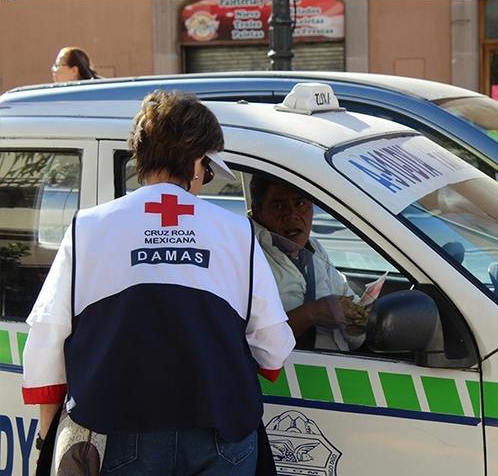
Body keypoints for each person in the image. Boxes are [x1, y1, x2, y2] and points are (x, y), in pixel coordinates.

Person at [21, 90, 295, 474]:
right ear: (198, 162)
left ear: (140, 157)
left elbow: (47, 342)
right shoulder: (236, 232)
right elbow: (273, 351)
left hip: (118, 432)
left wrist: (47, 438)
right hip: (221, 433)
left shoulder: (88, 229)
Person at [249, 174, 368, 351]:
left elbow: (346, 297)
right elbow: (253, 344)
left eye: (300, 204)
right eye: (279, 206)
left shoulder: (314, 249)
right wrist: (310, 314)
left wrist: (355, 321)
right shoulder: (248, 256)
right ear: (257, 211)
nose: (291, 215)